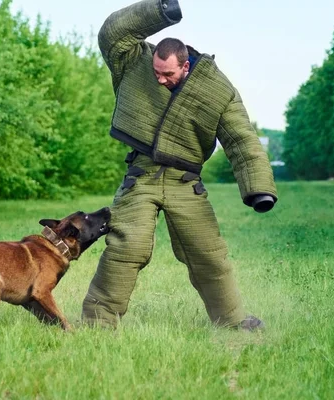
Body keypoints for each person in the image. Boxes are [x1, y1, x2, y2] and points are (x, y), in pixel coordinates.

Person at [82, 0, 278, 331]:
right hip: (140, 175)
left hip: (184, 180)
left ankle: (232, 320)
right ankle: (97, 324)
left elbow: (242, 139)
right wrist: (160, 10)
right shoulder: (135, 61)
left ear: (184, 67)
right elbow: (112, 33)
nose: (159, 79)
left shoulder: (218, 90)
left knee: (208, 253)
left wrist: (258, 188)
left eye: (167, 74)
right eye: (156, 72)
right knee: (127, 245)